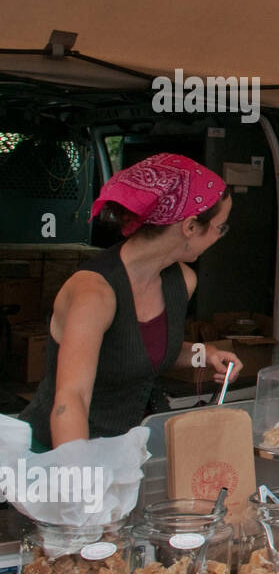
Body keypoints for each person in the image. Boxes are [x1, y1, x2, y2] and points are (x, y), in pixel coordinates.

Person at [22, 154, 242, 451]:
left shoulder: (181, 281)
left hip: (124, 447)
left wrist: (207, 354)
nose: (220, 236)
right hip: (60, 450)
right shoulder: (95, 292)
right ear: (190, 227)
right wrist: (76, 476)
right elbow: (71, 400)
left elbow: (144, 351)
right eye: (220, 227)